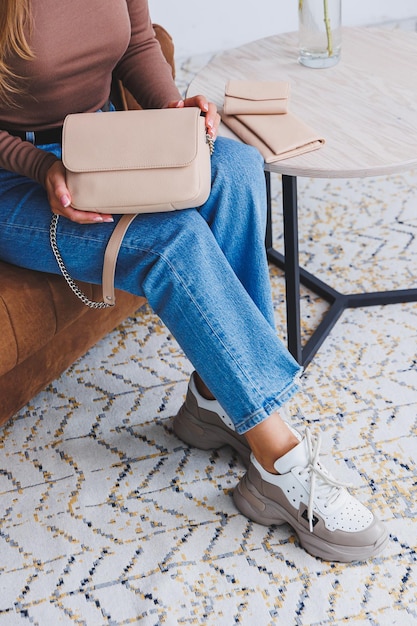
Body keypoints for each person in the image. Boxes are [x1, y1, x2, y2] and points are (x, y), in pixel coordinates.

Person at [0, 0, 388, 563]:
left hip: (107, 145)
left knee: (235, 168)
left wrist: (172, 109)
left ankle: (218, 398)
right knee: (172, 240)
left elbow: (136, 39)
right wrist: (42, 168)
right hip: (20, 178)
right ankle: (280, 466)